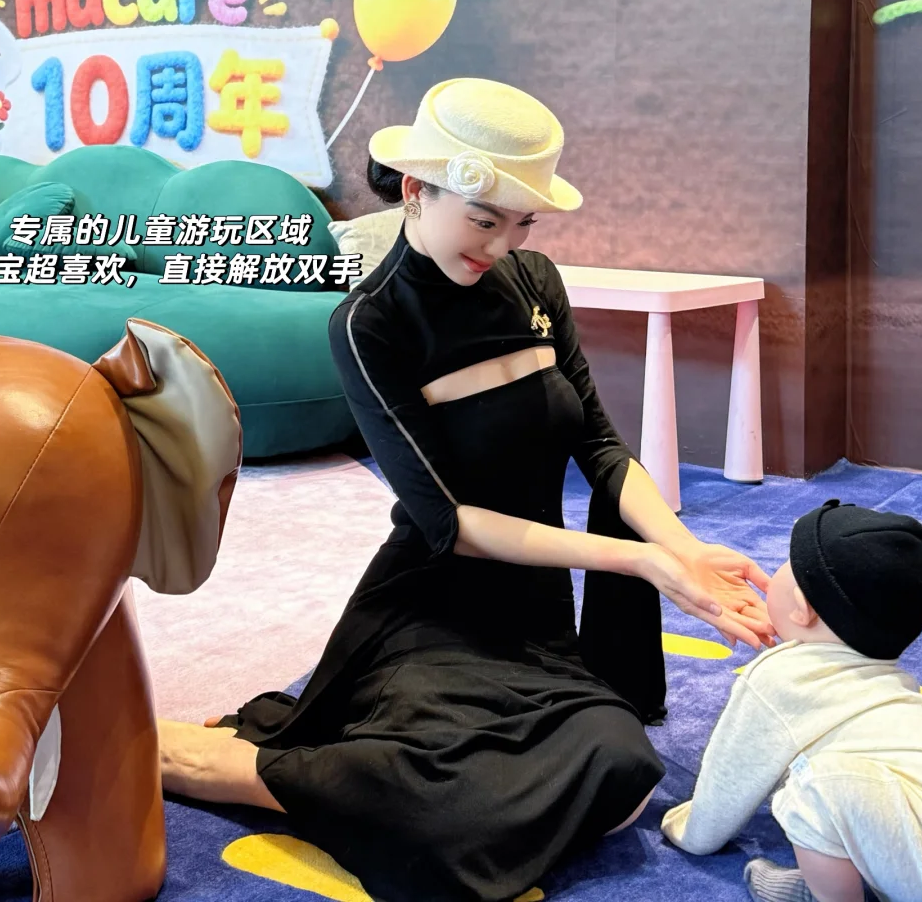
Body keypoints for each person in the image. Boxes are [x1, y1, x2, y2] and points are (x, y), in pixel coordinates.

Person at [159, 77, 774, 902]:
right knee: (447, 817)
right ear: (416, 190)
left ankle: (326, 776)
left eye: (523, 223)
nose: (503, 244)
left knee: (622, 770)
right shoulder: (370, 323)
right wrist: (640, 563)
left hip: (535, 617)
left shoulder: (535, 283)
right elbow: (448, 523)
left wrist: (685, 551)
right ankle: (245, 773)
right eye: (485, 220)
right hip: (430, 610)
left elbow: (599, 446)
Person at [661, 498, 922, 902]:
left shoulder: (780, 675)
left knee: (815, 788)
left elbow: (733, 772)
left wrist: (691, 832)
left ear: (802, 609)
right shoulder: (887, 676)